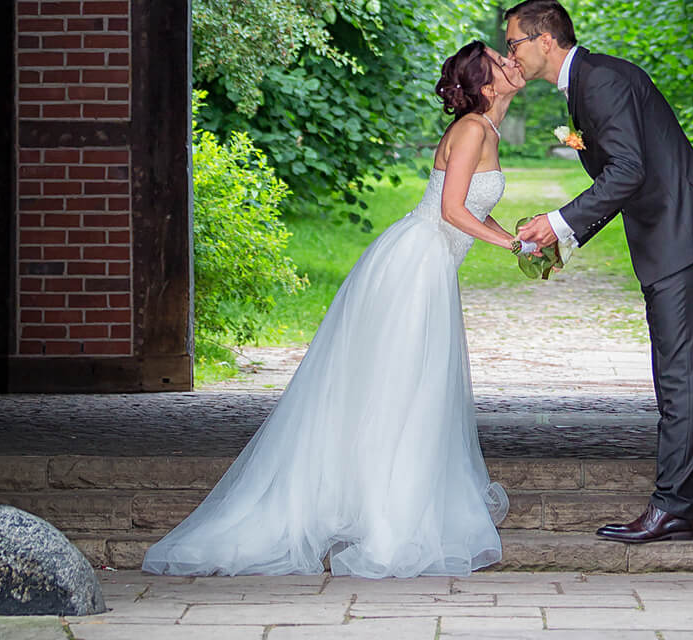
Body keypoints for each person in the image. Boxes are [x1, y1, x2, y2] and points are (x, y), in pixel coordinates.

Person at [142, 41, 536, 578]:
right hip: (414, 266)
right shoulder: (471, 129)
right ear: (487, 86)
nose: (513, 62)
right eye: (501, 61)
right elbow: (448, 209)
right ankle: (385, 516)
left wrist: (523, 242)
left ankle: (389, 498)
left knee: (413, 388)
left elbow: (466, 208)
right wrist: (509, 246)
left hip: (431, 263)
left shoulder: (485, 129)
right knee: (403, 387)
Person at [506, 0, 693, 544]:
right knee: (675, 374)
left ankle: (675, 508)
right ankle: (680, 506)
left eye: (515, 42)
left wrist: (559, 222)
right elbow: (626, 169)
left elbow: (629, 170)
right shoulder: (589, 81)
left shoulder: (600, 81)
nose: (510, 53)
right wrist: (566, 237)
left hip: (681, 235)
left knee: (681, 378)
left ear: (546, 40)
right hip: (672, 235)